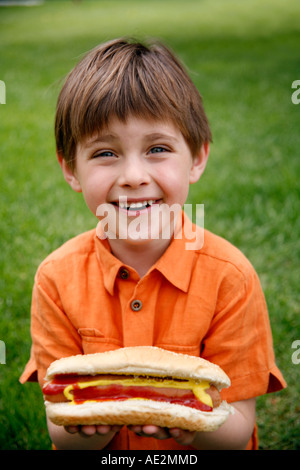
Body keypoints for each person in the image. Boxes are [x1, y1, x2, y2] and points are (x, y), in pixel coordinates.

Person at [20, 38, 286, 450]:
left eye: (157, 149)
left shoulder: (230, 277)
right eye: (105, 153)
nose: (132, 175)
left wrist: (190, 424)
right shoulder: (56, 279)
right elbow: (61, 428)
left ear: (196, 158)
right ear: (70, 169)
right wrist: (106, 410)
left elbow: (239, 428)